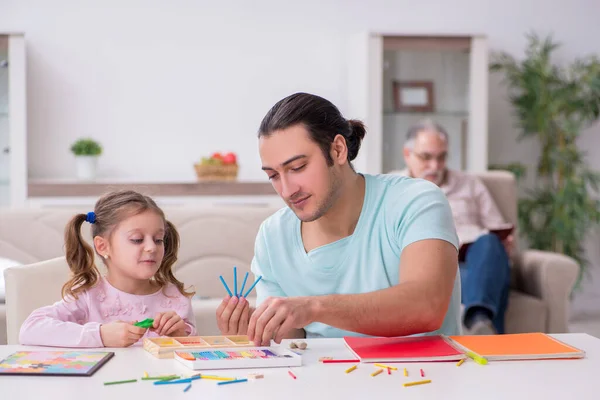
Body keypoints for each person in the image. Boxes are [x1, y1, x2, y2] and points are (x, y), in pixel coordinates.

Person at [216, 92, 462, 345]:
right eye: (273, 175)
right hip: (324, 381)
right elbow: (294, 338)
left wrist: (313, 307)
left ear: (338, 149)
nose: (287, 190)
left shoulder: (415, 201)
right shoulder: (272, 236)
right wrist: (258, 328)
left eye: (298, 168)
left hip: (426, 379)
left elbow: (427, 306)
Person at [19, 190, 197, 348]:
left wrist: (181, 337)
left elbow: (194, 358)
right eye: (137, 239)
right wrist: (100, 335)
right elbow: (30, 328)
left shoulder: (175, 298)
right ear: (103, 247)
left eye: (158, 239)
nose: (152, 247)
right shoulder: (88, 296)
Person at [391, 119, 512, 335]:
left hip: (473, 263)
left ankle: (480, 322)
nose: (435, 166)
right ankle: (481, 324)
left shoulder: (470, 184)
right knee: (451, 276)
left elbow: (497, 227)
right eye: (426, 157)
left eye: (441, 157)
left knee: (490, 244)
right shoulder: (392, 187)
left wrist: (505, 243)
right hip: (426, 265)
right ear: (407, 154)